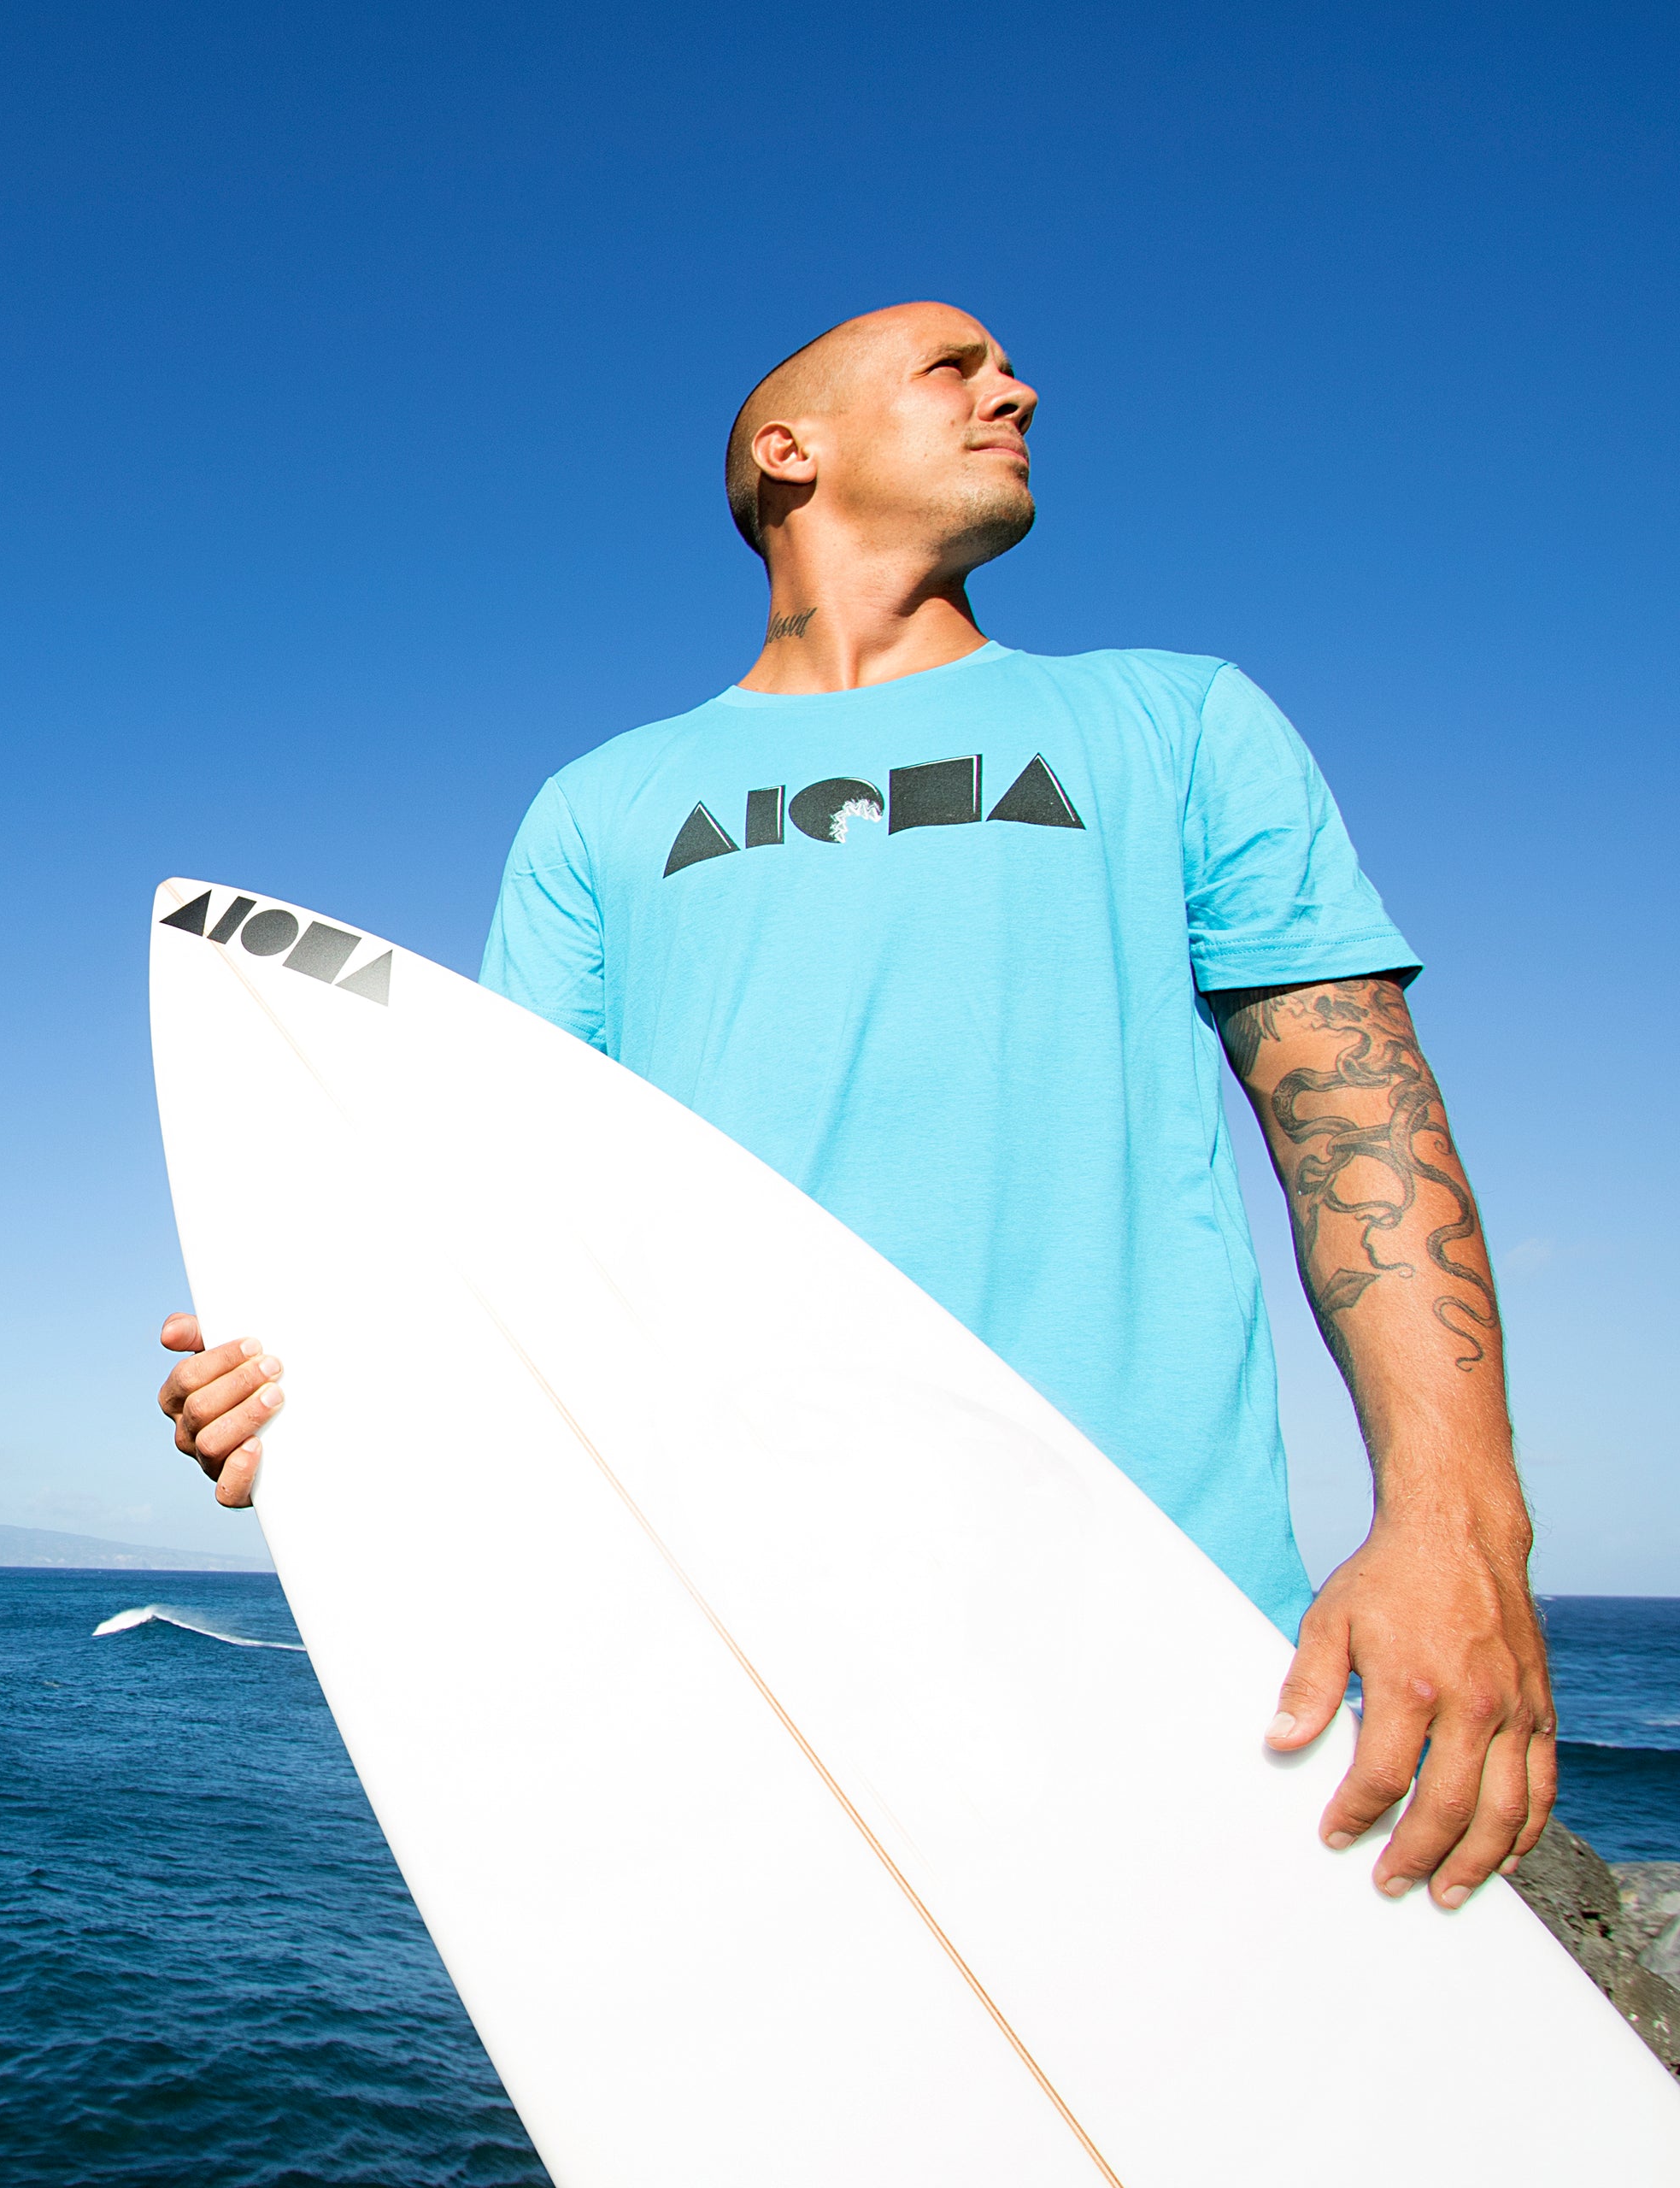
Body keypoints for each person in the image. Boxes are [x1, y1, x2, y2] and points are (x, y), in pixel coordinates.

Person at [155, 302, 1549, 1914]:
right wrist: (325, 1396)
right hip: (719, 1641)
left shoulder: (1176, 717)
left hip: (1153, 1622)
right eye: (953, 367)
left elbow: (1356, 1117)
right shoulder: (598, 807)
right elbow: (508, 1209)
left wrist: (1458, 1524)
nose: (1015, 387)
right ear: (788, 451)